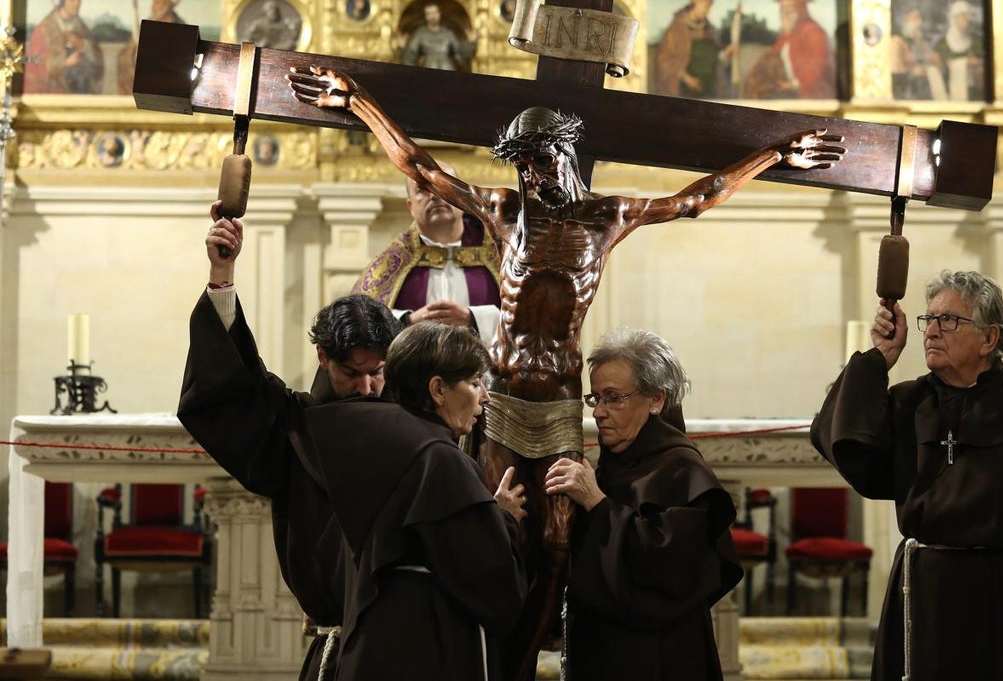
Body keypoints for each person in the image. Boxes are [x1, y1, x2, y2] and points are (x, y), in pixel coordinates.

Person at [286, 64, 842, 681]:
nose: (532, 178)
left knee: (556, 540)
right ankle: (496, 666)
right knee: (497, 528)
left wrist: (774, 154)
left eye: (541, 164)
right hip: (498, 399)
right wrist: (358, 102)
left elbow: (697, 198)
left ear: (566, 157)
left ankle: (527, 662)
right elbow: (420, 167)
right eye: (522, 166)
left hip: (555, 405)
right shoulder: (502, 211)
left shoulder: (607, 217)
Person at [810, 270, 1003, 681]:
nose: (931, 331)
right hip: (923, 597)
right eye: (927, 319)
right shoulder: (909, 404)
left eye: (947, 320)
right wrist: (878, 359)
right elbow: (847, 447)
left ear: (989, 338)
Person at [177, 200, 404, 681]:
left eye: (377, 372)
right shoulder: (294, 423)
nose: (366, 387)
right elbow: (230, 387)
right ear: (323, 356)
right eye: (351, 373)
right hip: (335, 643)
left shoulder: (412, 421)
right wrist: (222, 274)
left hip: (407, 640)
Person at [304, 320, 528, 680]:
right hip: (425, 649)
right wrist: (501, 519)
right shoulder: (439, 460)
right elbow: (495, 587)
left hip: (371, 645)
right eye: (474, 383)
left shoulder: (372, 441)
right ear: (438, 389)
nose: (484, 396)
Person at [544, 328, 742, 681]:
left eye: (614, 398)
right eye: (595, 399)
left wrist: (597, 504)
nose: (600, 413)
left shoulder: (682, 469)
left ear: (656, 400)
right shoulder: (611, 466)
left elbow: (669, 572)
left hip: (659, 658)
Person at [352, 169, 501, 343]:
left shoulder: (500, 254)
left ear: (462, 199)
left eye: (443, 185)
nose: (434, 195)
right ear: (411, 207)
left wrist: (474, 318)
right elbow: (360, 321)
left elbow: (531, 318)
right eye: (422, 189)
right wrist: (408, 321)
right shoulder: (393, 261)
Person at [744, 0, 835, 100]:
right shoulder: (789, 32)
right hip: (787, 88)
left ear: (801, 11)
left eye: (789, 10)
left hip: (810, 94)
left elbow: (817, 68)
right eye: (782, 10)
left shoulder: (814, 33)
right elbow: (774, 52)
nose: (784, 15)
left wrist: (794, 84)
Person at [24, 0, 104, 94]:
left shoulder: (80, 26)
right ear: (63, 1)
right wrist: (65, 63)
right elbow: (36, 65)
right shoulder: (44, 29)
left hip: (82, 90)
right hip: (55, 91)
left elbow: (98, 58)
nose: (77, 3)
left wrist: (83, 45)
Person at [653, 0, 728, 99]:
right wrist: (687, 78)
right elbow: (664, 61)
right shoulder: (677, 29)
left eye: (709, 7)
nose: (707, 10)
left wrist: (726, 54)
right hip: (684, 90)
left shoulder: (709, 29)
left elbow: (715, 56)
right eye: (704, 6)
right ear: (694, 4)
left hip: (709, 90)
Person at [118, 0, 186, 94]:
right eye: (153, 1)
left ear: (168, 5)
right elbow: (128, 52)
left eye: (158, 2)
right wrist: (129, 66)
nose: (153, 7)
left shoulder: (181, 29)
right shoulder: (146, 25)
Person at [401, 2, 475, 71]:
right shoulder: (420, 34)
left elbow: (460, 54)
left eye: (434, 13)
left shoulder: (448, 33)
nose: (432, 16)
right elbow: (410, 56)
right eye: (429, 13)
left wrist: (471, 43)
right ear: (426, 16)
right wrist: (402, 48)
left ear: (439, 14)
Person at [935, 0, 985, 101]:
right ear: (953, 20)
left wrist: (977, 63)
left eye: (967, 18)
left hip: (976, 92)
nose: (964, 22)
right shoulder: (942, 44)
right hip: (950, 93)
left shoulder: (977, 41)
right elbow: (938, 67)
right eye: (961, 18)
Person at [890, 8, 945, 101]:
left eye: (920, 18)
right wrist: (913, 71)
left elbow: (934, 61)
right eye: (914, 19)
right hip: (906, 91)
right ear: (905, 21)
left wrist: (935, 62)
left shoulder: (922, 42)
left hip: (926, 89)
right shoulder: (896, 42)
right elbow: (895, 71)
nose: (919, 22)